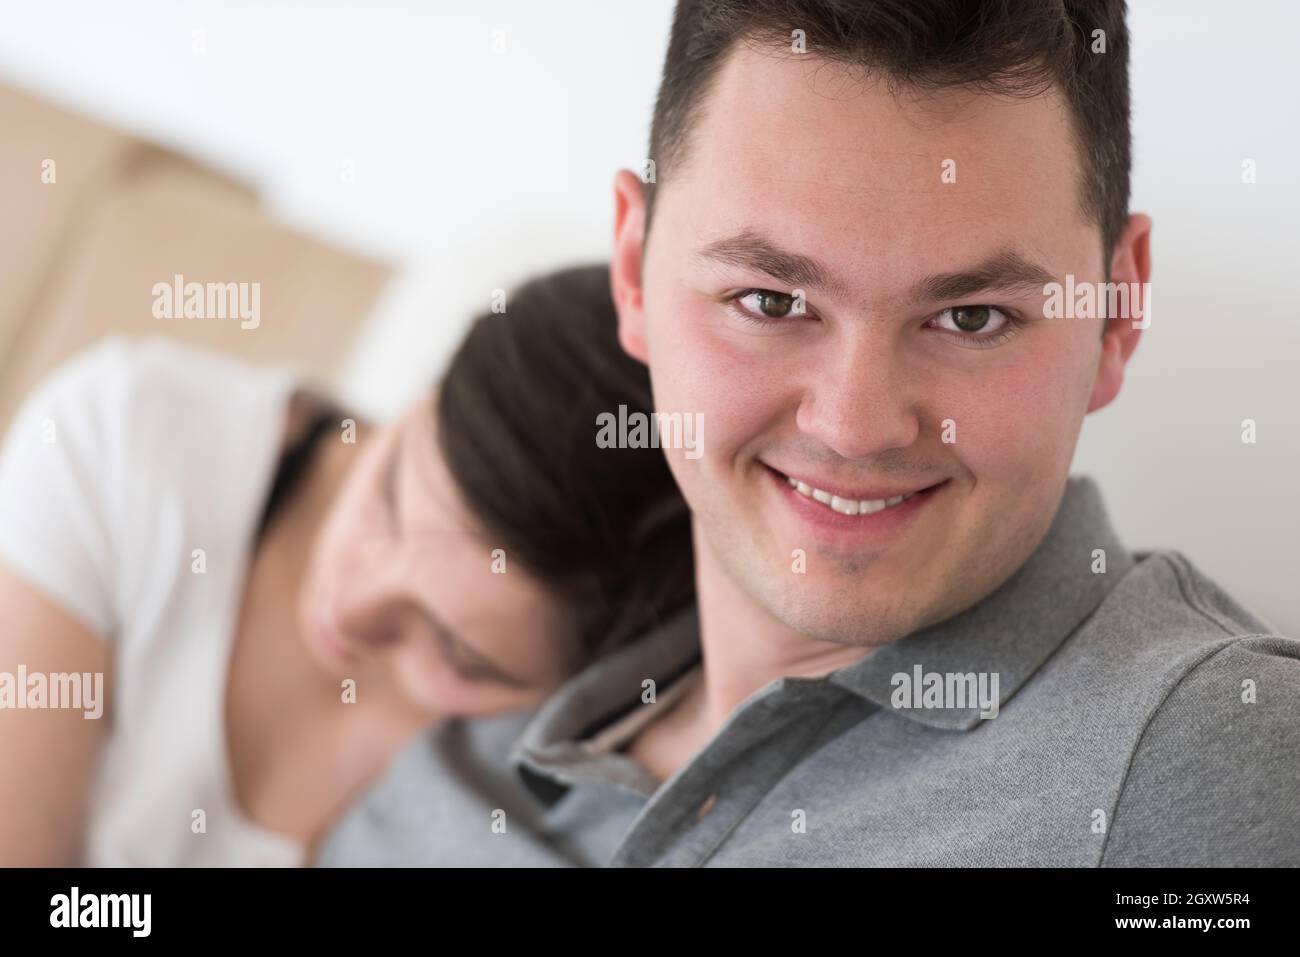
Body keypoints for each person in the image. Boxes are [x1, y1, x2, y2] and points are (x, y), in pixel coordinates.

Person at [319, 0, 1300, 867]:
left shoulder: (1219, 760)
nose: (854, 425)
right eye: (768, 299)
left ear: (1117, 311)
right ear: (632, 271)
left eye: (972, 318)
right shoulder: (461, 755)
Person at [0, 262, 692, 865]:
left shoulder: (558, 791)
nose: (350, 607)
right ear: (427, 394)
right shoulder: (126, 442)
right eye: (388, 495)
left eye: (457, 650)